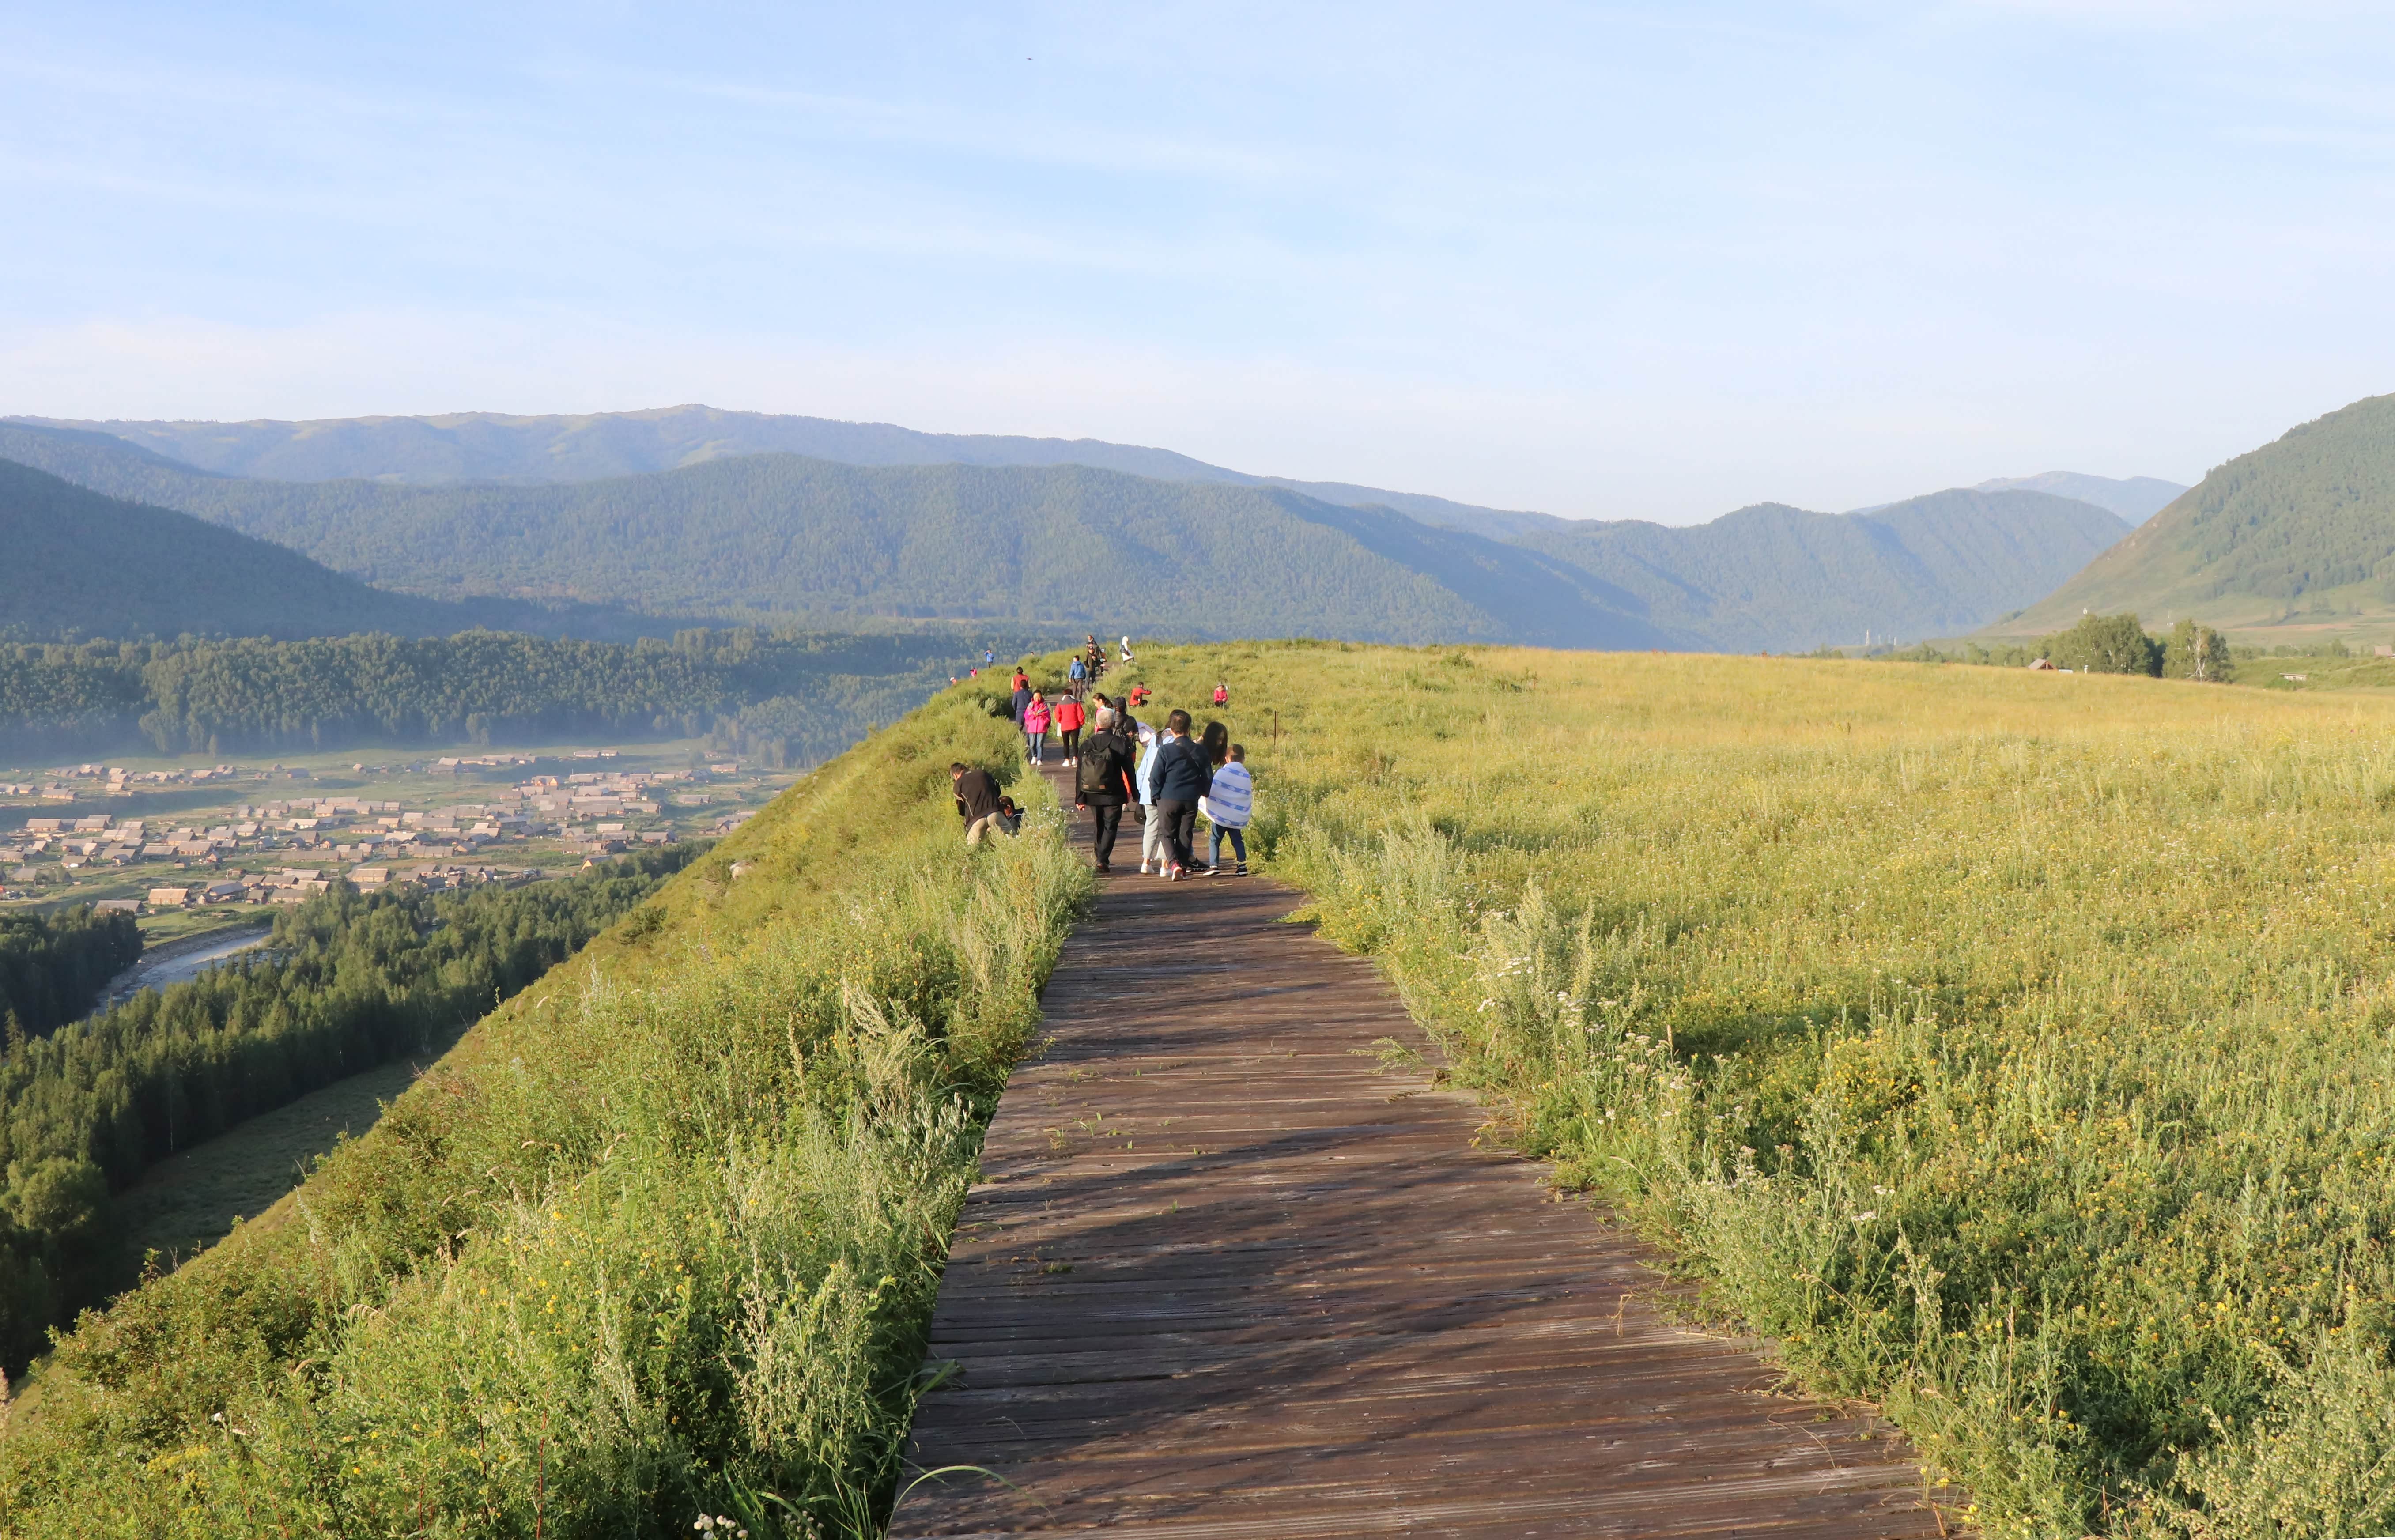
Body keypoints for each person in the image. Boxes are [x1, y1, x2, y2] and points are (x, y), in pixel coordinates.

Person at [1148, 709, 1212, 881]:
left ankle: (1174, 864)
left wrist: (1156, 796)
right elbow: (1208, 776)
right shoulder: (1200, 750)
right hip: (1191, 798)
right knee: (1185, 834)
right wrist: (1203, 792)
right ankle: (1183, 867)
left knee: (1167, 834)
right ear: (1189, 728)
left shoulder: (1166, 750)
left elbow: (1155, 777)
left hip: (1168, 797)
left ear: (1171, 729)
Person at [1073, 706, 1138, 873]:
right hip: (1114, 793)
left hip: (1091, 793)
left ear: (1097, 724)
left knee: (1099, 825)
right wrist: (1135, 793)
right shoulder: (1120, 743)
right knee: (1111, 826)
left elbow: (1080, 772)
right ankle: (1102, 859)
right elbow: (1129, 771)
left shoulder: (1087, 744)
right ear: (1113, 725)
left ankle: (1100, 858)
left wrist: (1080, 798)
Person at [1201, 742, 1252, 876]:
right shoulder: (1245, 775)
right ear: (1243, 759)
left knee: (1215, 839)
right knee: (1237, 840)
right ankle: (1242, 866)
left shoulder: (1222, 772)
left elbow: (1213, 788)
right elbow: (1245, 795)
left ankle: (1214, 865)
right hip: (1235, 816)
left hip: (1221, 815)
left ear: (1227, 759)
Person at [1133, 713, 1167, 874]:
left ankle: (1146, 863)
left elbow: (1141, 771)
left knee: (1151, 827)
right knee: (1168, 829)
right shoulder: (1175, 743)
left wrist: (1141, 792)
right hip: (1166, 793)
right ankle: (1165, 865)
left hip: (1148, 791)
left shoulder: (1154, 741)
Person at [951, 762, 1013, 845]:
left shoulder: (958, 785)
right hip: (995, 813)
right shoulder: (983, 773)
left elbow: (961, 810)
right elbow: (998, 791)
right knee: (1013, 840)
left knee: (972, 850)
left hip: (976, 820)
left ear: (955, 775)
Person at [1054, 692, 1086, 765]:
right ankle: (1075, 759)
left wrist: (1061, 721)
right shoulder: (1076, 703)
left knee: (1066, 744)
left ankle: (1067, 760)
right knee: (1075, 743)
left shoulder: (1060, 704)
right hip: (1075, 725)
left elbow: (1057, 715)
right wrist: (1081, 723)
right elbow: (1081, 714)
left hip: (1065, 726)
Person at [1022, 691, 1052, 764]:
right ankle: (1034, 756)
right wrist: (1030, 720)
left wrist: (1043, 722)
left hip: (1042, 728)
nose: (1037, 699)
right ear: (1033, 697)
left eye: (1039, 697)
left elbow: (1048, 718)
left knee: (1040, 745)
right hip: (1032, 728)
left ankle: (1039, 759)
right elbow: (1026, 716)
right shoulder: (1030, 706)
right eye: (1036, 697)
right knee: (1032, 745)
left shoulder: (1044, 706)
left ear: (1041, 697)